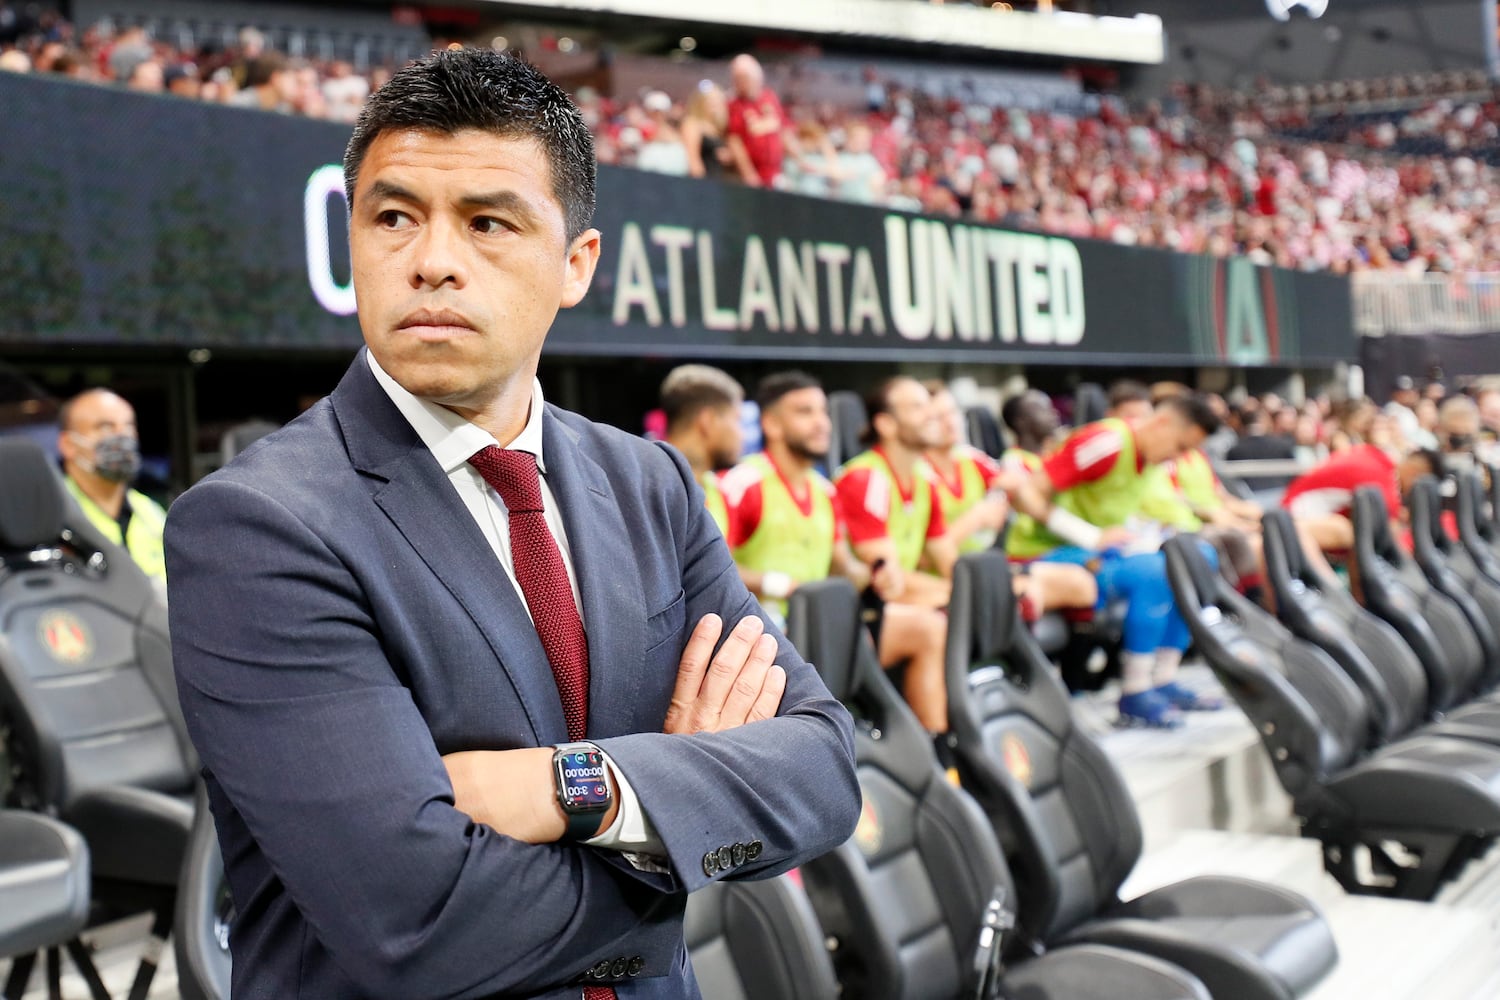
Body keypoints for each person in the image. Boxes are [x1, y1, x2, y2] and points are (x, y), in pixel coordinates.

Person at [164, 50, 858, 1000]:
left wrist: (578, 789)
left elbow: (822, 770)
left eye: (488, 222)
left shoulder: (647, 480)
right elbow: (421, 925)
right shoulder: (256, 528)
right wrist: (683, 815)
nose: (433, 259)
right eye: (394, 216)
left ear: (577, 265)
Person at [720, 372, 950, 734]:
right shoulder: (743, 483)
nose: (821, 423)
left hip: (818, 628)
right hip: (764, 640)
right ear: (772, 424)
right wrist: (782, 584)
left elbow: (843, 566)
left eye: (823, 412)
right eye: (805, 412)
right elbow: (714, 569)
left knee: (928, 627)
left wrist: (874, 574)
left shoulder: (824, 490)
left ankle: (939, 759)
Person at [1005, 396, 1226, 728]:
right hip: (1045, 550)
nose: (1178, 458)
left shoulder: (1150, 459)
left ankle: (1163, 679)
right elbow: (1025, 493)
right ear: (1162, 424)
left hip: (1096, 552)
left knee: (1197, 557)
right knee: (1153, 571)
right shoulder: (1108, 443)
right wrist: (1088, 536)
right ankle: (1135, 690)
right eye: (1180, 446)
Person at [833, 377, 956, 606]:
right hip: (864, 607)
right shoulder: (865, 478)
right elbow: (890, 583)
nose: (932, 415)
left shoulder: (925, 479)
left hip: (907, 602)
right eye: (918, 407)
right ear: (885, 424)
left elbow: (949, 563)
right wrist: (964, 594)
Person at [57, 388, 167, 587]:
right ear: (68, 444)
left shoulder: (151, 513)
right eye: (105, 427)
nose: (121, 437)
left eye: (128, 426)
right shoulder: (52, 513)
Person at [1281, 442, 1444, 554]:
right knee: (1351, 533)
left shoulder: (1374, 454)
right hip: (1293, 517)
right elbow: (1393, 535)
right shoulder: (1382, 482)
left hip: (1292, 505)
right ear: (1417, 474)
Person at [659, 364, 743, 536]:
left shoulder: (716, 490)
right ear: (708, 421)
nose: (741, 435)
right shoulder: (650, 486)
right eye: (736, 420)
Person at [724, 53, 793, 188]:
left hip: (776, 173)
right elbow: (735, 141)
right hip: (754, 176)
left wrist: (800, 161)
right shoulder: (734, 105)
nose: (739, 82)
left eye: (744, 78)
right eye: (737, 79)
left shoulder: (770, 97)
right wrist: (748, 174)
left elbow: (783, 130)